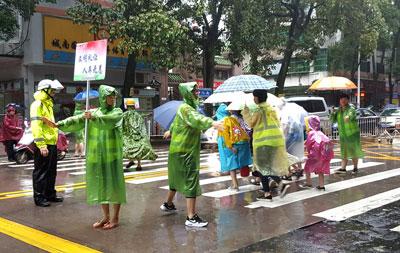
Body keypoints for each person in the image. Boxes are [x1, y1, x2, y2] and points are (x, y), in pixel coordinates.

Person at [57, 85, 126, 229]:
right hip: (96, 155)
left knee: (114, 187)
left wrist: (93, 116)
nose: (112, 99)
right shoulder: (93, 112)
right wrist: (58, 124)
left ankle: (115, 218)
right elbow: (76, 120)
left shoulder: (117, 112)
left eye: (114, 97)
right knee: (101, 186)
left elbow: (108, 121)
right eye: (109, 96)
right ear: (102, 98)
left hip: (111, 156)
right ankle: (105, 217)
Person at [160, 82, 223, 228]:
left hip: (177, 150)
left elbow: (176, 124)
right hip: (186, 151)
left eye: (197, 90)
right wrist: (213, 123)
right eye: (194, 90)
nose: (197, 92)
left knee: (175, 179)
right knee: (190, 180)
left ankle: (168, 204)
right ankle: (191, 217)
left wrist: (170, 131)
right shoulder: (186, 108)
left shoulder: (184, 108)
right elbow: (197, 119)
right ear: (187, 93)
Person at [242, 89, 289, 201]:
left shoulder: (259, 110)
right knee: (265, 167)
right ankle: (267, 193)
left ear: (258, 97)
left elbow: (251, 124)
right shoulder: (272, 109)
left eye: (254, 97)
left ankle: (280, 183)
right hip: (275, 141)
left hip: (263, 142)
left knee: (263, 167)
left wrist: (246, 112)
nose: (253, 99)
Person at [30, 79, 64, 207]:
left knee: (51, 171)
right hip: (43, 144)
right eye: (52, 90)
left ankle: (50, 194)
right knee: (41, 172)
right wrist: (42, 146)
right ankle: (39, 197)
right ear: (45, 90)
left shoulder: (48, 104)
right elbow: (36, 127)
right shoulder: (38, 104)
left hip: (51, 143)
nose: (54, 93)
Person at [215, 104, 252, 191]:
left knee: (231, 164)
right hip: (239, 142)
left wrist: (230, 147)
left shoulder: (222, 122)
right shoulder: (232, 119)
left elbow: (226, 136)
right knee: (236, 162)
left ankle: (235, 185)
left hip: (228, 144)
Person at [330, 93, 363, 174]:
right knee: (344, 151)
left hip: (352, 134)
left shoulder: (351, 109)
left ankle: (355, 168)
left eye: (345, 99)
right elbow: (332, 120)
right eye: (341, 99)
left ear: (348, 100)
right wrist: (332, 113)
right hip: (343, 134)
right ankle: (343, 168)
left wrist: (348, 117)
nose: (343, 101)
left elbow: (351, 115)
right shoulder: (338, 110)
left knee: (353, 151)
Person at [122, 99, 157, 171]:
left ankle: (131, 160)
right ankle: (138, 165)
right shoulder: (137, 114)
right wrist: (148, 114)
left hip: (128, 136)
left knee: (128, 148)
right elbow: (143, 116)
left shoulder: (124, 114)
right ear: (134, 106)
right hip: (138, 135)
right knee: (138, 149)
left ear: (127, 106)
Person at [301, 115, 334, 190]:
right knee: (320, 170)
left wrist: (307, 150)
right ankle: (321, 186)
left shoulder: (311, 133)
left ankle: (308, 183)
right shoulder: (320, 133)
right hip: (323, 155)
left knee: (307, 168)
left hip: (314, 155)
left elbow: (309, 145)